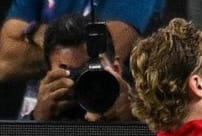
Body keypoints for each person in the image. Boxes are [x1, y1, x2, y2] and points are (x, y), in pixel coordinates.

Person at [0, 0, 162, 90]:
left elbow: (106, 54)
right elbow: (6, 62)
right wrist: (80, 60)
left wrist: (36, 32)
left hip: (105, 114)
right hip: (42, 113)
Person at [18, 13, 134, 121]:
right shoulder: (46, 116)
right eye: (70, 72)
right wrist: (37, 119)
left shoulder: (134, 115)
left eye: (90, 68)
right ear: (48, 78)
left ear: (116, 69)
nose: (83, 81)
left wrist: (133, 117)